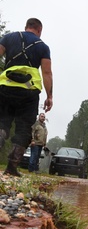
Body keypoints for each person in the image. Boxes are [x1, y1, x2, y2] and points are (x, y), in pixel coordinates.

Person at [0, 18, 53, 177]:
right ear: (39, 30)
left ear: (26, 27)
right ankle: (11, 167)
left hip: (5, 87)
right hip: (28, 94)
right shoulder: (43, 47)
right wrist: (49, 96)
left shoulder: (9, 38)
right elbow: (47, 73)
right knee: (24, 129)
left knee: (2, 123)